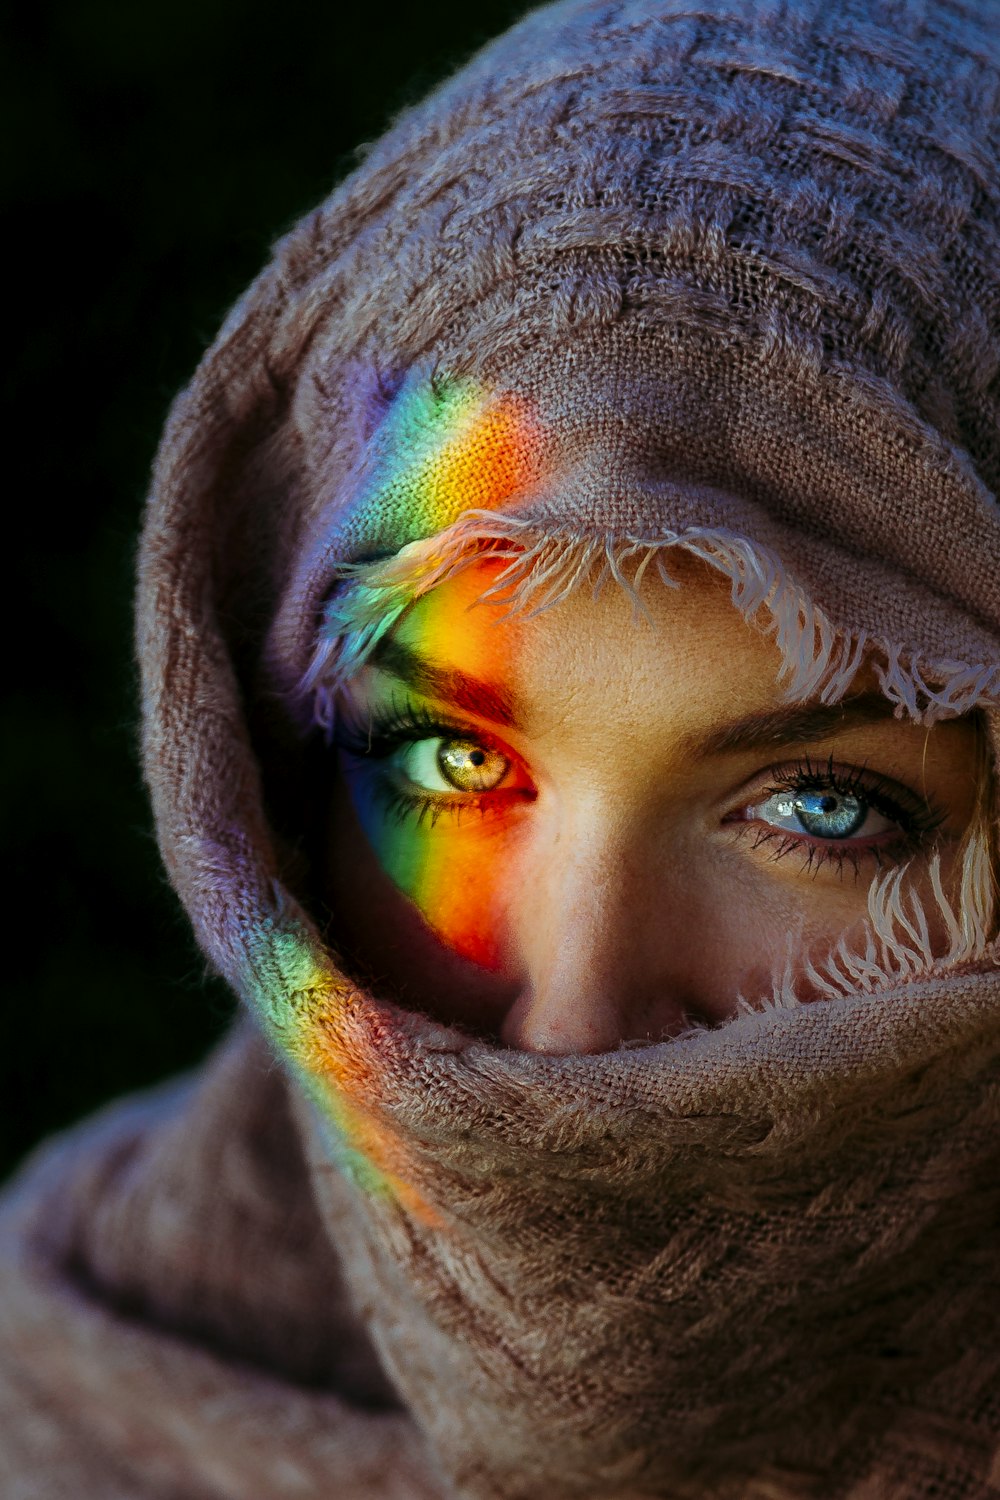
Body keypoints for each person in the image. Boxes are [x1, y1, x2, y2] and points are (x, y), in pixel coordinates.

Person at [2, 0, 999, 1494]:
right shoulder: (71, 1398)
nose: (573, 1018)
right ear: (265, 795)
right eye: (450, 763)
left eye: (822, 805)